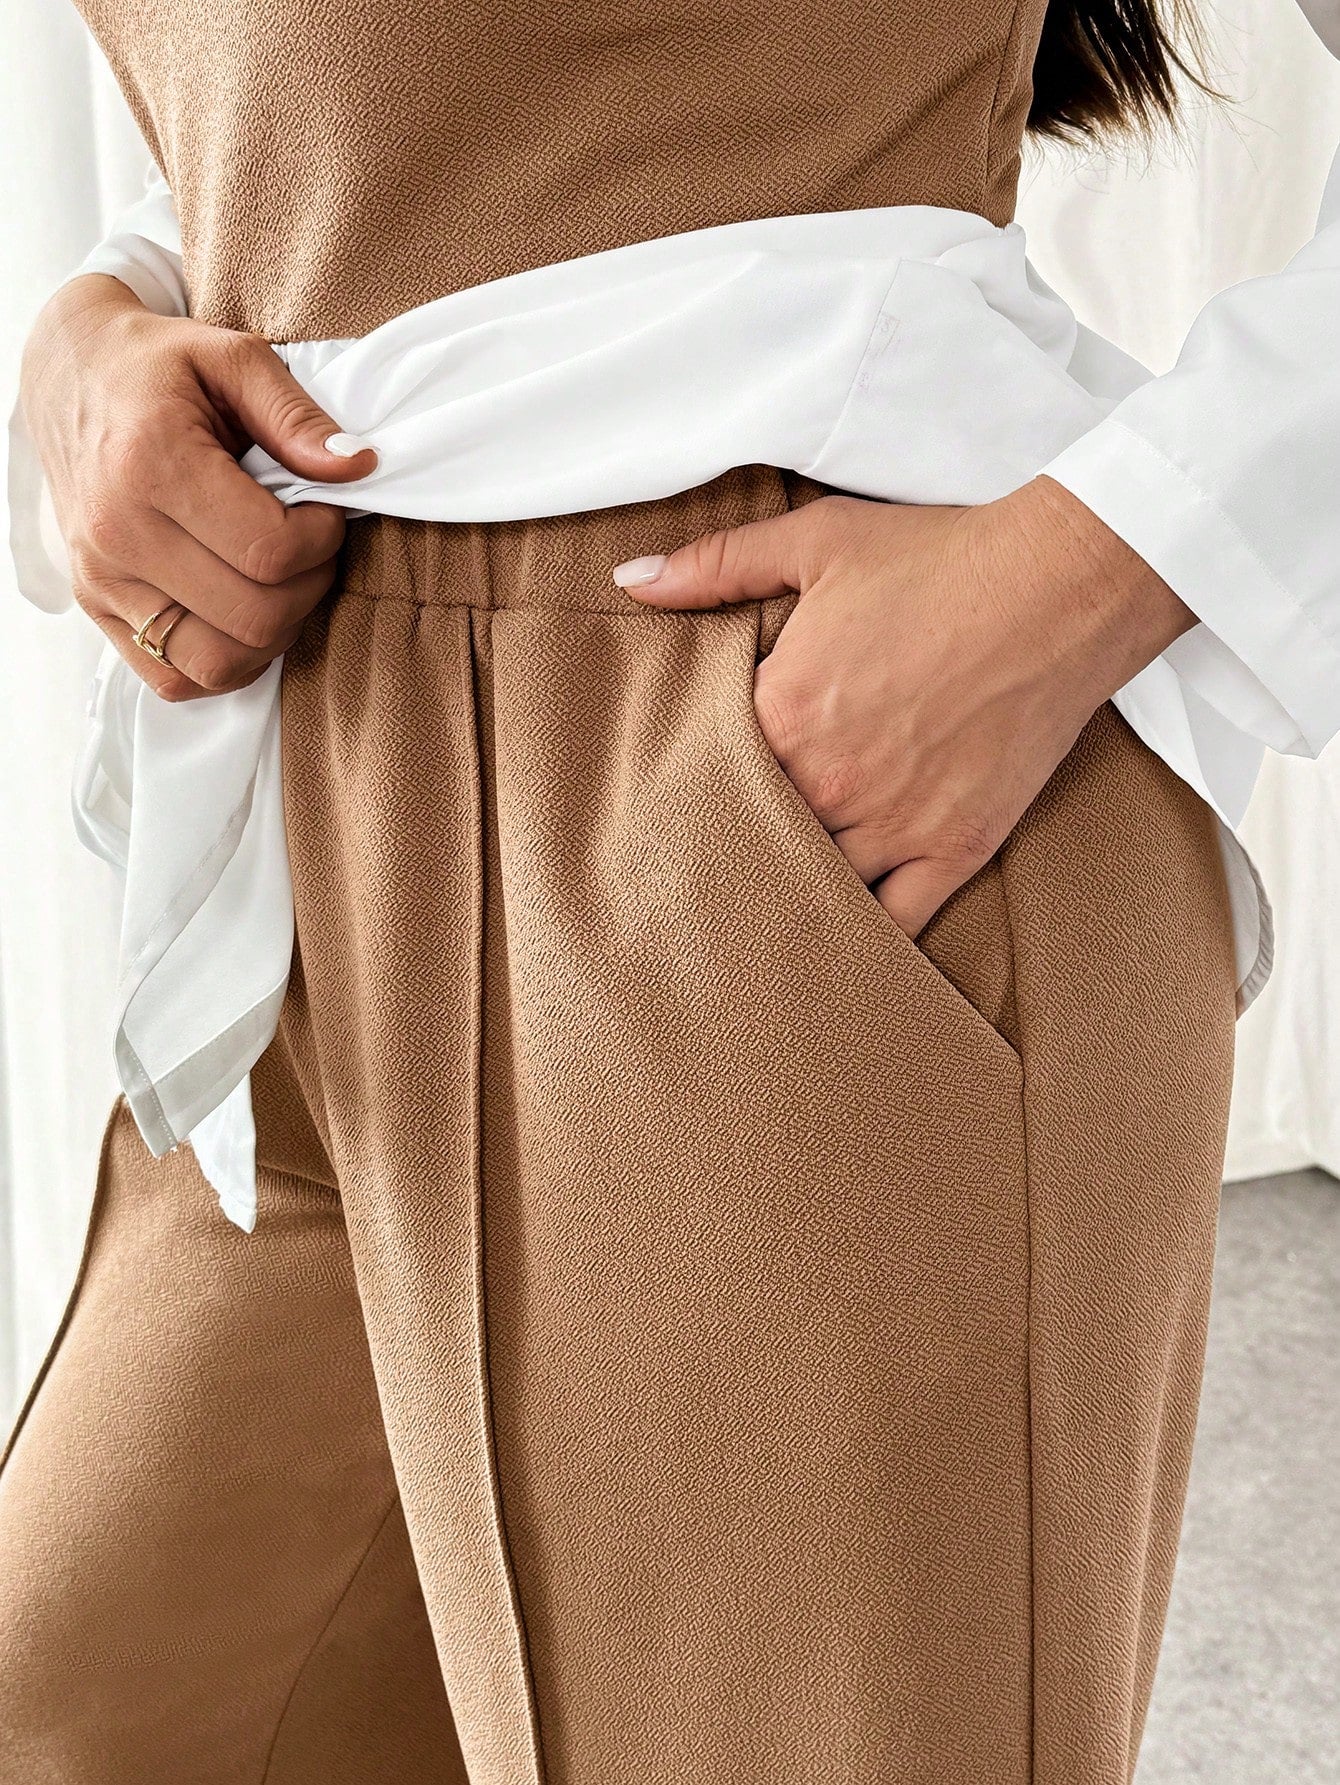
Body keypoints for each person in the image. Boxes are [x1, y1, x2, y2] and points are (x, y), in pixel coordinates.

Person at [2, 1, 1338, 1780]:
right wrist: (106, 316)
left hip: (795, 810)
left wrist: (1107, 559)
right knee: (95, 1713)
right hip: (319, 828)